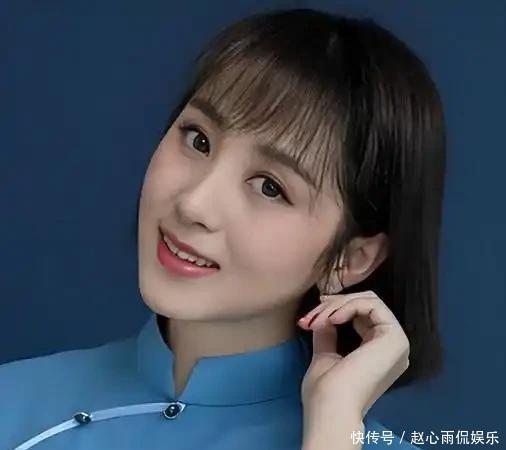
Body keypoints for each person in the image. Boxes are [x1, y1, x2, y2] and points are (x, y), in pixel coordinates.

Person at [0, 7, 446, 450]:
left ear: (350, 258)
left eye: (270, 187)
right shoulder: (14, 400)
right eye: (198, 140)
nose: (194, 204)